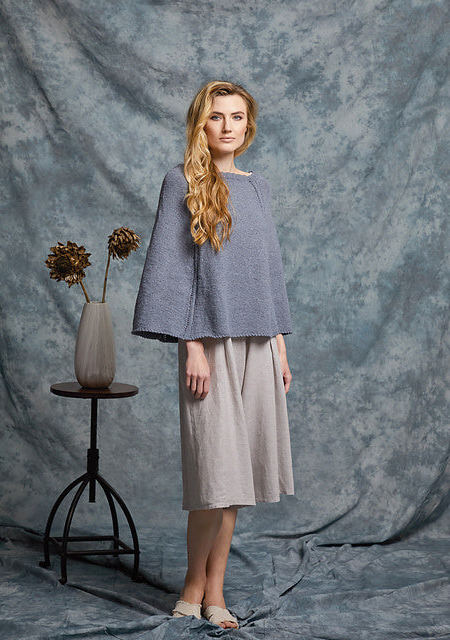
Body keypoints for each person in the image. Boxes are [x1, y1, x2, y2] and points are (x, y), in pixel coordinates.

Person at [132, 80, 294, 630]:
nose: (228, 126)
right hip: (209, 343)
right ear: (200, 125)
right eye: (217, 116)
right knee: (213, 475)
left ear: (249, 125)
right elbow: (172, 269)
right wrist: (191, 347)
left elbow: (269, 272)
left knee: (236, 482)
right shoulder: (180, 181)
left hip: (259, 343)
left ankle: (215, 590)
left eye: (237, 117)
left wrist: (280, 345)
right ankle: (193, 585)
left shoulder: (259, 187)